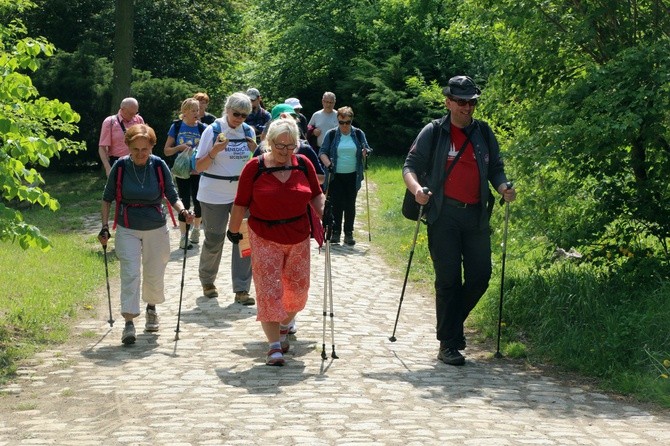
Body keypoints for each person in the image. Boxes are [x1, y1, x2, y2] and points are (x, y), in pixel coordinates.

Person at [402, 75, 517, 366]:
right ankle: (449, 343)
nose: (468, 107)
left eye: (472, 102)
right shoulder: (434, 131)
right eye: (462, 102)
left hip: (476, 214)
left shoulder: (483, 132)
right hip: (444, 215)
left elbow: (497, 168)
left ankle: (451, 327)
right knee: (448, 280)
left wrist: (503, 186)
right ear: (449, 102)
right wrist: (417, 191)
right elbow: (410, 167)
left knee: (480, 276)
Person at [227, 118, 325, 366]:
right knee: (269, 289)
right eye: (280, 146)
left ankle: (284, 326)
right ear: (269, 143)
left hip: (298, 235)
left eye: (290, 146)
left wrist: (326, 212)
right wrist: (233, 230)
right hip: (264, 235)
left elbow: (315, 196)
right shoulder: (254, 167)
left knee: (298, 290)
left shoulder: (303, 165)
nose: (285, 151)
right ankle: (273, 347)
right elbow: (240, 203)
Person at [98, 124, 194, 345]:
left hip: (156, 227)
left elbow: (172, 193)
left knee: (154, 271)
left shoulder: (159, 165)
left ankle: (151, 308)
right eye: (135, 149)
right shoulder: (120, 167)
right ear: (128, 147)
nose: (140, 154)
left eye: (145, 149)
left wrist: (182, 211)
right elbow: (107, 198)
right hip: (127, 226)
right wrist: (104, 227)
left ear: (152, 146)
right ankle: (129, 322)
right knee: (130, 273)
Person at [194, 92, 257, 305]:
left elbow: (255, 164)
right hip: (213, 192)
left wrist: (255, 151)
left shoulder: (248, 132)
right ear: (227, 109)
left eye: (244, 115)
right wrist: (214, 151)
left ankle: (242, 289)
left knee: (243, 240)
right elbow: (198, 166)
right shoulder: (213, 130)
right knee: (214, 239)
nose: (239, 119)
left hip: (241, 194)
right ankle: (208, 280)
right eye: (236, 114)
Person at [318, 106, 371, 246]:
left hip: (353, 174)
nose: (345, 126)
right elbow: (322, 152)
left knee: (350, 204)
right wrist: (328, 164)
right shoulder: (331, 134)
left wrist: (366, 152)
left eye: (347, 122)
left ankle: (349, 233)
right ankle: (336, 233)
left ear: (351, 120)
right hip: (335, 175)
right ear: (338, 121)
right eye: (341, 122)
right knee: (336, 204)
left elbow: (366, 147)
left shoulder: (358, 134)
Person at [163, 98, 206, 249]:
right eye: (193, 110)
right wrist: (179, 148)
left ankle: (196, 229)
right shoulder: (176, 126)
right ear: (184, 112)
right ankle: (183, 237)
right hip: (182, 171)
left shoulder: (202, 128)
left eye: (198, 110)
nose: (196, 113)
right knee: (184, 203)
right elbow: (166, 151)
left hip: (198, 171)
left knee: (199, 202)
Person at [257, 104, 325, 184]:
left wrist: (298, 175)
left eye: (292, 119)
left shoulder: (304, 149)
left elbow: (321, 178)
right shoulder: (262, 149)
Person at [98, 97, 145, 177]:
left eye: (135, 113)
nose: (134, 116)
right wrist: (107, 168)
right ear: (122, 109)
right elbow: (102, 147)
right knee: (120, 189)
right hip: (118, 163)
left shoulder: (139, 120)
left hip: (138, 160)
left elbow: (146, 142)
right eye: (131, 113)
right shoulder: (110, 122)